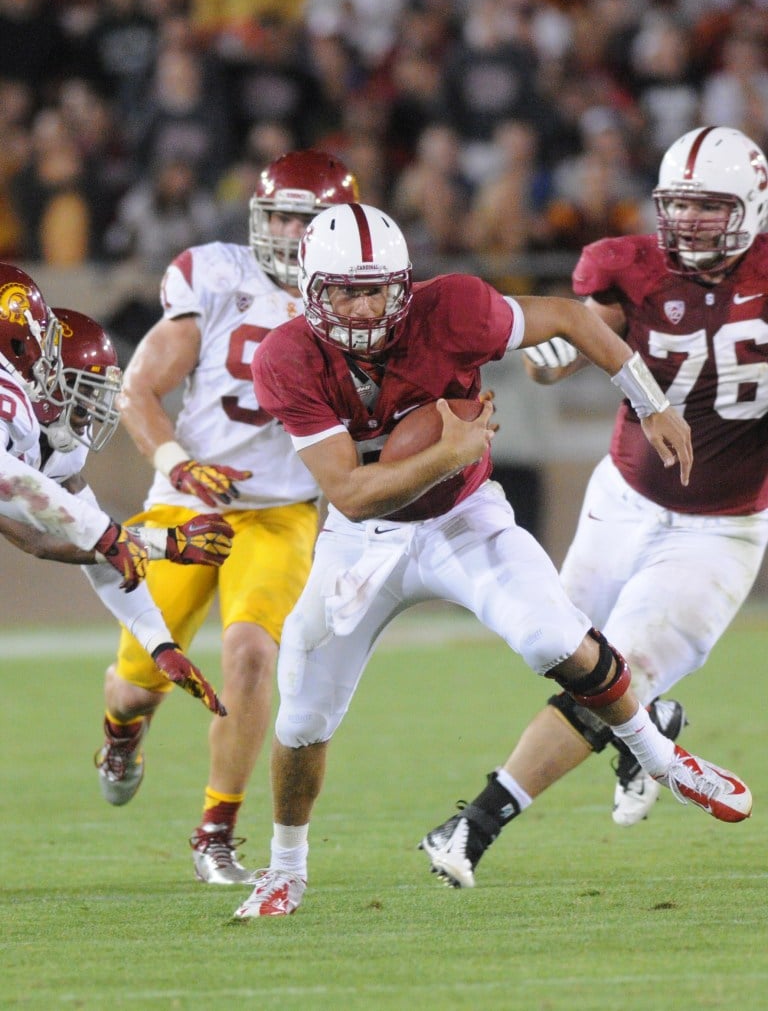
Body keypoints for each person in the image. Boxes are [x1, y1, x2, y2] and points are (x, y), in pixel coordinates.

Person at [233, 201, 751, 919]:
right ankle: (286, 868)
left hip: (464, 517)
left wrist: (652, 401)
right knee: (302, 717)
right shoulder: (285, 356)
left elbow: (571, 318)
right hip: (364, 540)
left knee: (553, 635)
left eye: (375, 287)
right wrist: (446, 450)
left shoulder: (454, 309)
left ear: (404, 284)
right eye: (343, 290)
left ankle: (662, 757)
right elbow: (350, 494)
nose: (360, 305)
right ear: (311, 290)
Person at [420, 124, 768, 888]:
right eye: (678, 206)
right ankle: (656, 733)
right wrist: (559, 353)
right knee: (555, 645)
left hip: (720, 526)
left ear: (751, 206)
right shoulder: (628, 264)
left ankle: (475, 824)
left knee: (620, 669)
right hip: (623, 497)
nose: (689, 224)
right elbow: (589, 331)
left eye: (710, 208)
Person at [94, 149, 360, 885]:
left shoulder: (356, 297)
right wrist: (177, 462)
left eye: (302, 221)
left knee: (251, 656)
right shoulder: (214, 274)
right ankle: (121, 733)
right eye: (276, 214)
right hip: (190, 502)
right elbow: (137, 390)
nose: (283, 231)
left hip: (279, 515)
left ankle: (216, 831)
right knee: (134, 685)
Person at [0, 273, 230, 716]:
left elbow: (60, 539)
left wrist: (159, 644)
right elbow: (26, 507)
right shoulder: (14, 404)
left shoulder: (49, 440)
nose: (89, 413)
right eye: (81, 393)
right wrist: (164, 543)